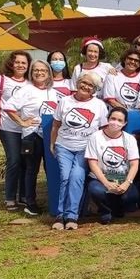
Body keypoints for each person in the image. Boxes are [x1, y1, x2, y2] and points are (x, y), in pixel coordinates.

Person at [50, 73, 108, 230]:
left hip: (85, 149)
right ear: (78, 82)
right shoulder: (64, 101)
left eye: (90, 85)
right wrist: (52, 143)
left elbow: (103, 130)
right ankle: (60, 215)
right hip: (64, 146)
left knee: (77, 177)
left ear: (94, 90)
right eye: (84, 82)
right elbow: (55, 125)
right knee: (65, 177)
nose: (86, 87)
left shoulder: (99, 105)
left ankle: (72, 216)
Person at [3, 60, 57, 215]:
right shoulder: (26, 90)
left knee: (50, 168)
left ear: (48, 73)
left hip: (49, 135)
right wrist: (22, 122)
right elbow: (8, 107)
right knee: (31, 169)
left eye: (43, 70)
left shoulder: (52, 91)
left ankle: (53, 200)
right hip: (32, 135)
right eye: (36, 70)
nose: (39, 73)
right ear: (31, 73)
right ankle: (30, 202)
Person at [0, 50, 31, 209]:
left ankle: (24, 196)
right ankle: (10, 197)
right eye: (17, 62)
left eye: (24, 63)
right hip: (8, 127)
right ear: (11, 63)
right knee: (14, 160)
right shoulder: (1, 79)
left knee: (26, 162)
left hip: (27, 129)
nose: (20, 65)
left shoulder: (30, 82)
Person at [85, 107, 140, 225]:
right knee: (96, 190)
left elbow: (134, 164)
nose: (115, 122)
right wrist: (106, 183)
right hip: (100, 179)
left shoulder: (130, 139)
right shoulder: (95, 137)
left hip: (122, 179)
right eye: (113, 118)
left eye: (120, 120)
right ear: (108, 119)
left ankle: (117, 207)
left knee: (131, 196)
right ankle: (105, 211)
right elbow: (92, 163)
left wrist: (127, 183)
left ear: (125, 123)